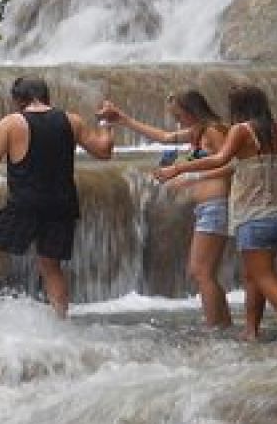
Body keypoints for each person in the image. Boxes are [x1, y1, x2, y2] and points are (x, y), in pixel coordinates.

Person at [162, 84, 277, 353]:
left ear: (238, 108)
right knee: (254, 275)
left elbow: (220, 159)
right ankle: (251, 331)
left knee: (262, 274)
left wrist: (179, 168)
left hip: (255, 214)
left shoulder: (242, 131)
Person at [0, 75, 112, 320]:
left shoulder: (12, 123)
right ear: (46, 96)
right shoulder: (72, 121)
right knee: (51, 266)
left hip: (26, 203)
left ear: (18, 100)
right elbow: (104, 151)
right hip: (62, 204)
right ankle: (61, 322)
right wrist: (106, 123)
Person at [98, 92, 233, 328]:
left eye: (179, 115)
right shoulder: (197, 131)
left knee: (200, 272)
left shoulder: (214, 130)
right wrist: (123, 120)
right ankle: (222, 323)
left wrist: (189, 175)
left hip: (216, 206)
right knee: (204, 272)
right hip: (206, 208)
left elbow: (232, 165)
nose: (178, 121)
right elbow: (164, 137)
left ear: (192, 111)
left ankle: (216, 326)